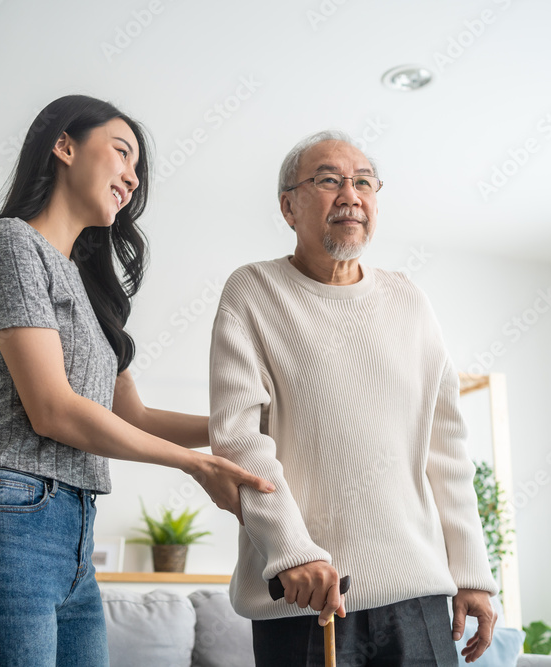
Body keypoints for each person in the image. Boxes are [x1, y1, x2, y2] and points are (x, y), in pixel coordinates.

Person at [0, 94, 274, 667]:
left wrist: (242, 425)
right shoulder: (11, 243)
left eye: (137, 169)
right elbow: (53, 411)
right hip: (7, 524)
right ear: (64, 146)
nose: (133, 179)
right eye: (122, 153)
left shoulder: (90, 292)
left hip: (73, 538)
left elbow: (133, 416)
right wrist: (196, 464)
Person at [208, 130, 500, 666]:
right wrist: (290, 553)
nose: (350, 193)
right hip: (304, 601)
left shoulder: (408, 299)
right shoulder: (252, 291)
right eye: (328, 180)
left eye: (364, 181)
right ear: (287, 206)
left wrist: (471, 573)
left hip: (418, 599)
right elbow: (238, 440)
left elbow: (447, 447)